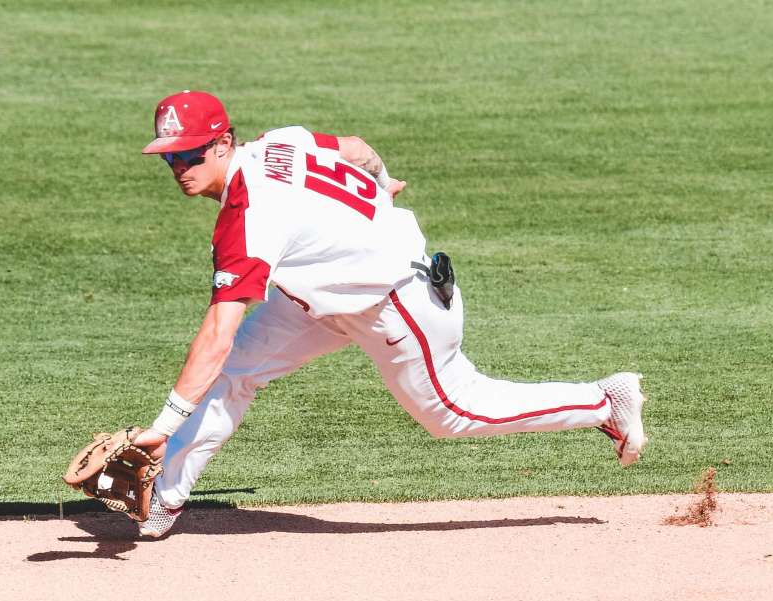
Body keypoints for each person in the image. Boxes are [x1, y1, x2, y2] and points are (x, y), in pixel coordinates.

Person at [127, 90, 647, 538]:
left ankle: (604, 400)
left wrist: (163, 422)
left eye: (190, 156)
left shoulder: (246, 216)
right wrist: (382, 183)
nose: (179, 170)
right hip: (325, 295)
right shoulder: (278, 143)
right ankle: (166, 496)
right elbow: (356, 150)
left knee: (452, 413)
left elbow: (217, 331)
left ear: (223, 145)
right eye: (169, 159)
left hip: (398, 300)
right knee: (237, 371)